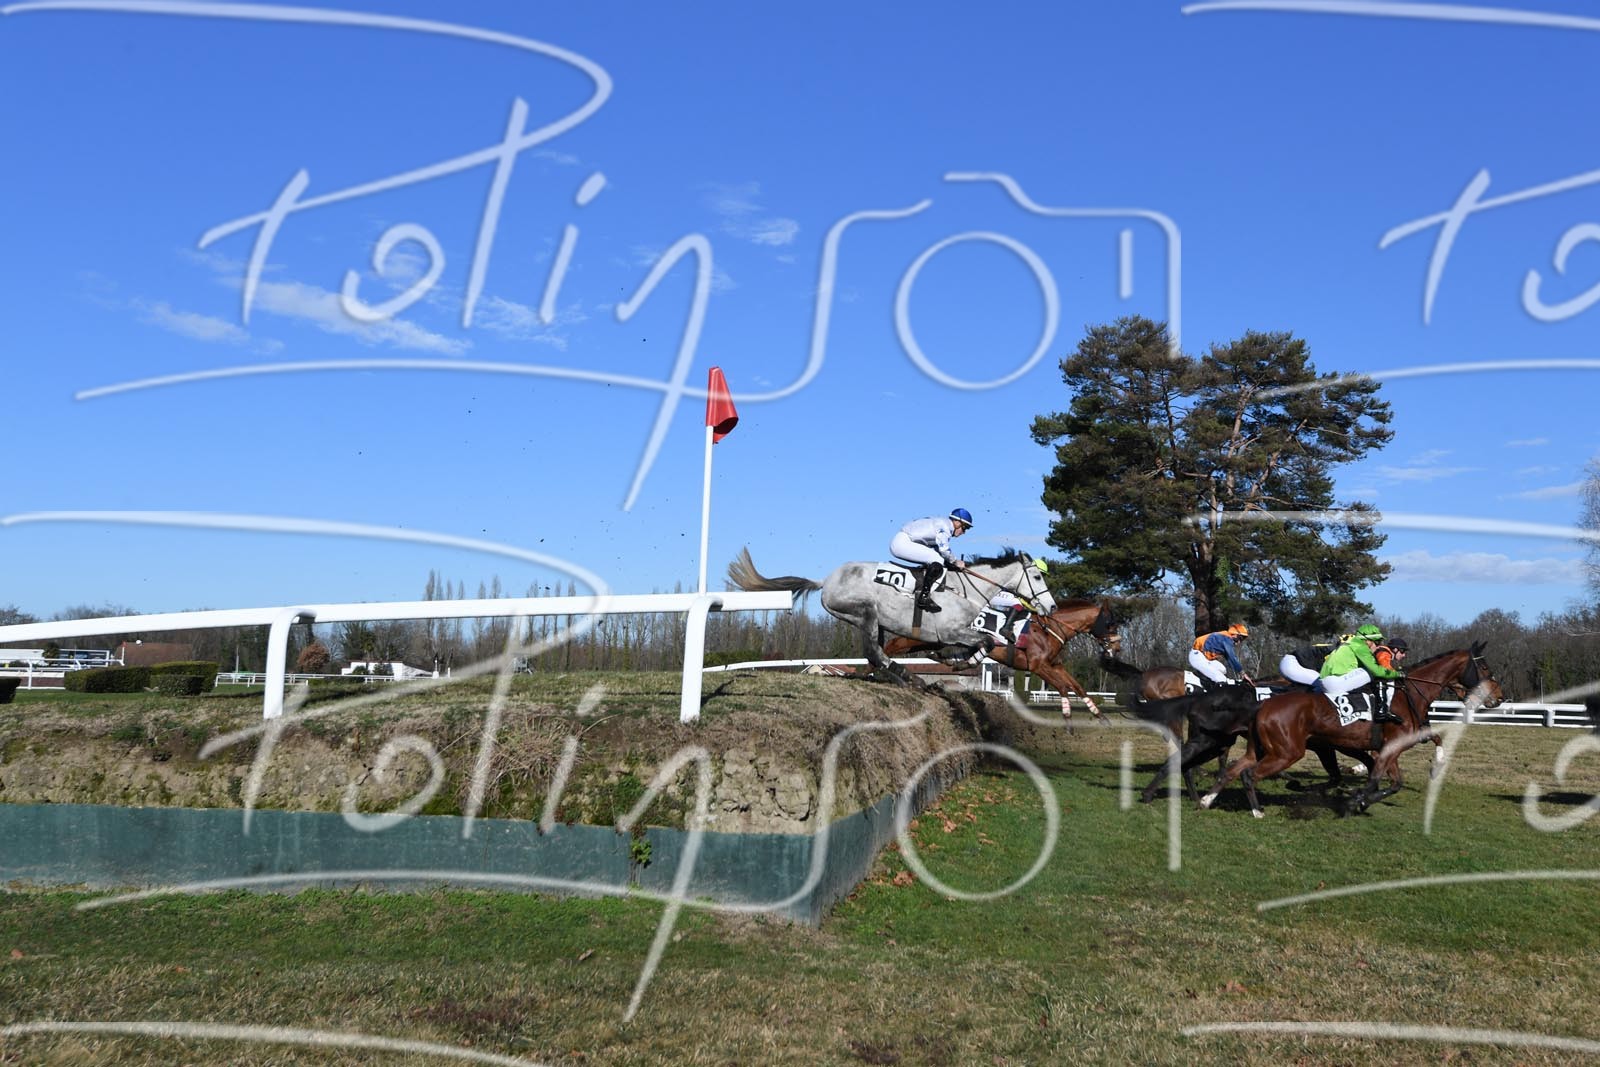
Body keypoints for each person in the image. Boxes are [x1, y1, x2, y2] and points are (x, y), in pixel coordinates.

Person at [1316, 623, 1404, 723]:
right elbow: (1377, 671)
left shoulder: (1350, 643)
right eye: (1377, 642)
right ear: (1368, 641)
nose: (1378, 646)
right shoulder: (1361, 646)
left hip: (1323, 683)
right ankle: (1382, 711)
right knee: (1376, 672)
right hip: (1335, 683)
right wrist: (1398, 674)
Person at [890, 508, 972, 613]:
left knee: (938, 558)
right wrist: (955, 562)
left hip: (902, 541)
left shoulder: (942, 524)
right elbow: (944, 549)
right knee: (937, 559)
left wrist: (952, 564)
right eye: (965, 528)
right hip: (902, 543)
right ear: (957, 522)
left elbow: (939, 550)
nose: (964, 532)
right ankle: (924, 597)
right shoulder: (945, 527)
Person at [988, 558, 1048, 643]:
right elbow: (1023, 601)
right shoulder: (1020, 576)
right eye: (1041, 573)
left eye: (1043, 575)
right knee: (1017, 602)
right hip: (995, 595)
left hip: (1003, 598)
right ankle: (1006, 628)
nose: (1041, 576)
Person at [1189, 623, 1253, 688]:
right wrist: (1243, 674)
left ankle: (1206, 680)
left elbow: (1230, 660)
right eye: (1240, 638)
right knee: (1221, 679)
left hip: (1205, 658)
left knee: (1223, 670)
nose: (1239, 642)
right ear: (1234, 634)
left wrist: (1240, 673)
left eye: (1242, 640)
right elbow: (1232, 658)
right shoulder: (1226, 638)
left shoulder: (1226, 637)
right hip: (1197, 657)